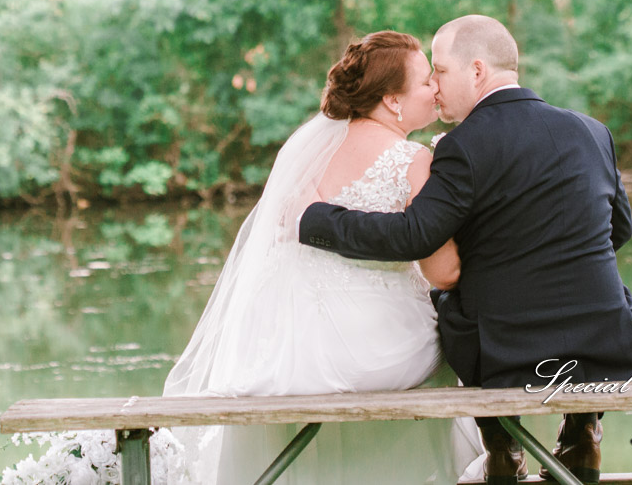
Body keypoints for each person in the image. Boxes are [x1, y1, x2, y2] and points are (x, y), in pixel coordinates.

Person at [298, 15, 632, 485]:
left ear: (476, 71)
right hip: (606, 343)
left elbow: (415, 236)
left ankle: (501, 445)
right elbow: (617, 229)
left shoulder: (463, 145)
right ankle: (583, 431)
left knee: (449, 298)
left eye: (439, 71)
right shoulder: (592, 131)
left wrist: (316, 218)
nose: (435, 85)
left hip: (507, 354)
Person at [164, 30, 482, 484]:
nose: (435, 88)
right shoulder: (414, 160)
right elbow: (443, 271)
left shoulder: (311, 152)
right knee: (448, 346)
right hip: (382, 346)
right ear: (393, 100)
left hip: (290, 348)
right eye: (426, 81)